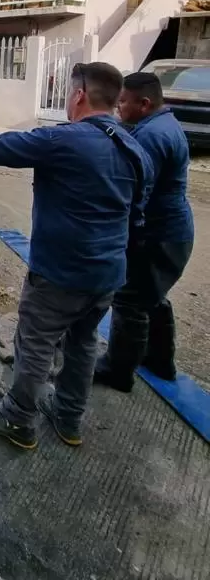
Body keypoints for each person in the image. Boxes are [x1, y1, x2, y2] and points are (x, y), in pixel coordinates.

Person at [0, 62, 152, 450]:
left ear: (78, 95)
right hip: (108, 276)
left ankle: (17, 418)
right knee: (82, 342)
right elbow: (138, 210)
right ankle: (68, 417)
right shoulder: (134, 147)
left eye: (68, 94)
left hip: (61, 276)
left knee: (36, 342)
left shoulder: (65, 140)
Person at [95, 72, 193, 390]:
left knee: (130, 300)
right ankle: (160, 361)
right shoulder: (163, 125)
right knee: (153, 296)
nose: (118, 107)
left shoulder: (151, 138)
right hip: (173, 232)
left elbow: (136, 192)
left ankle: (118, 370)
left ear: (144, 103)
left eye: (123, 101)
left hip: (158, 235)